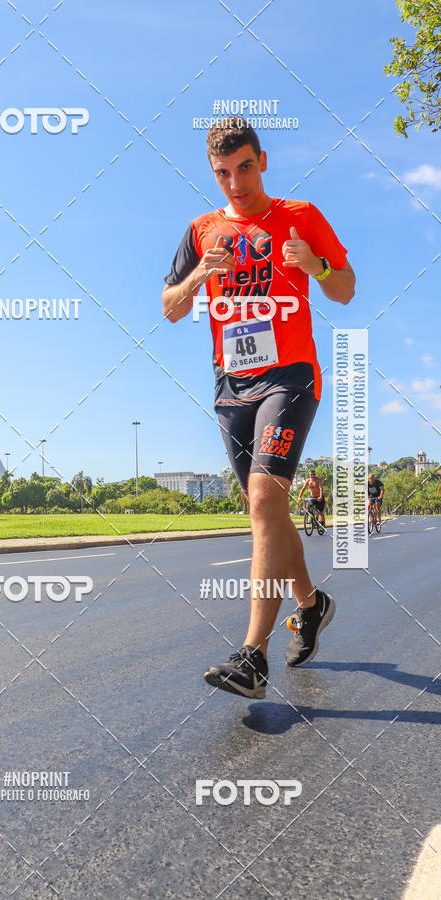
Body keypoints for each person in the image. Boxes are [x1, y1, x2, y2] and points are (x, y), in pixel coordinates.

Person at [162, 118, 355, 698]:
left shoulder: (300, 216)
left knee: (267, 498)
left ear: (262, 161)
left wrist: (315, 267)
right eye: (223, 173)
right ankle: (311, 604)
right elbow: (170, 307)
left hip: (290, 376)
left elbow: (344, 288)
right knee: (266, 510)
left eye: (244, 167)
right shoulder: (202, 229)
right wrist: (201, 273)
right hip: (231, 387)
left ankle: (253, 655)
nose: (235, 183)